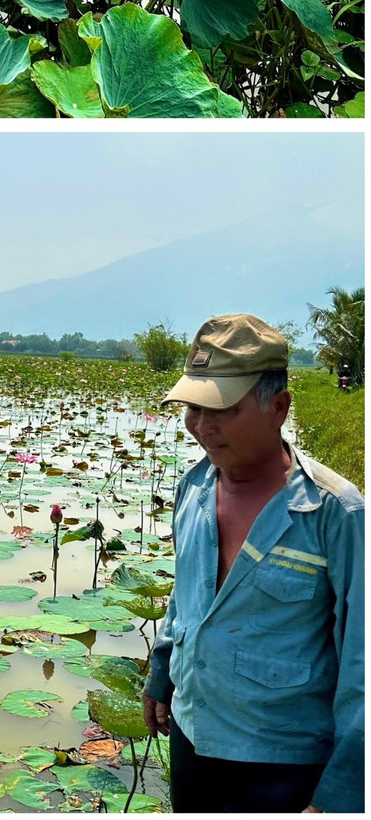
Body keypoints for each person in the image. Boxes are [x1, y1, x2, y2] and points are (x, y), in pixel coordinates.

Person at [143, 313, 363, 813]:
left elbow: (362, 666)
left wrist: (339, 797)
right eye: (193, 409)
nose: (201, 426)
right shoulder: (193, 487)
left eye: (221, 409)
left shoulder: (336, 513)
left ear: (279, 407)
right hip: (192, 737)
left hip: (283, 764)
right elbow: (188, 597)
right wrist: (162, 670)